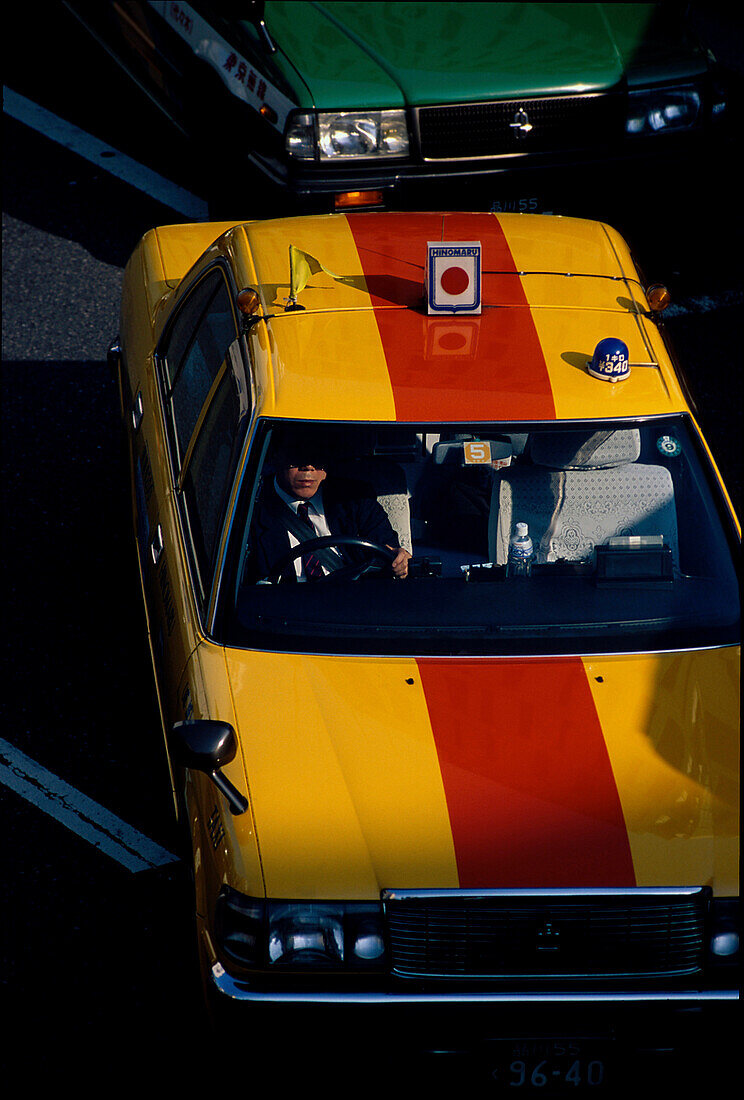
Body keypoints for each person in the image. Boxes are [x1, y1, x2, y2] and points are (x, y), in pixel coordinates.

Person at [246, 441, 411, 582]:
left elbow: (387, 551)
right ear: (276, 457)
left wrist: (399, 561)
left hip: (350, 604)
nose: (308, 467)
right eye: (296, 456)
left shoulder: (355, 498)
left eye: (317, 458)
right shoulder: (249, 506)